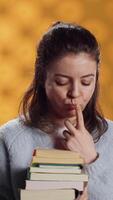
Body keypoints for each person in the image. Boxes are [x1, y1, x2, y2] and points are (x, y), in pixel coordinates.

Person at [0, 21, 113, 200]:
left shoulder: (111, 136)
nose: (75, 93)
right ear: (42, 78)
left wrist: (91, 159)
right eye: (61, 82)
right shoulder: (9, 137)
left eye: (86, 82)